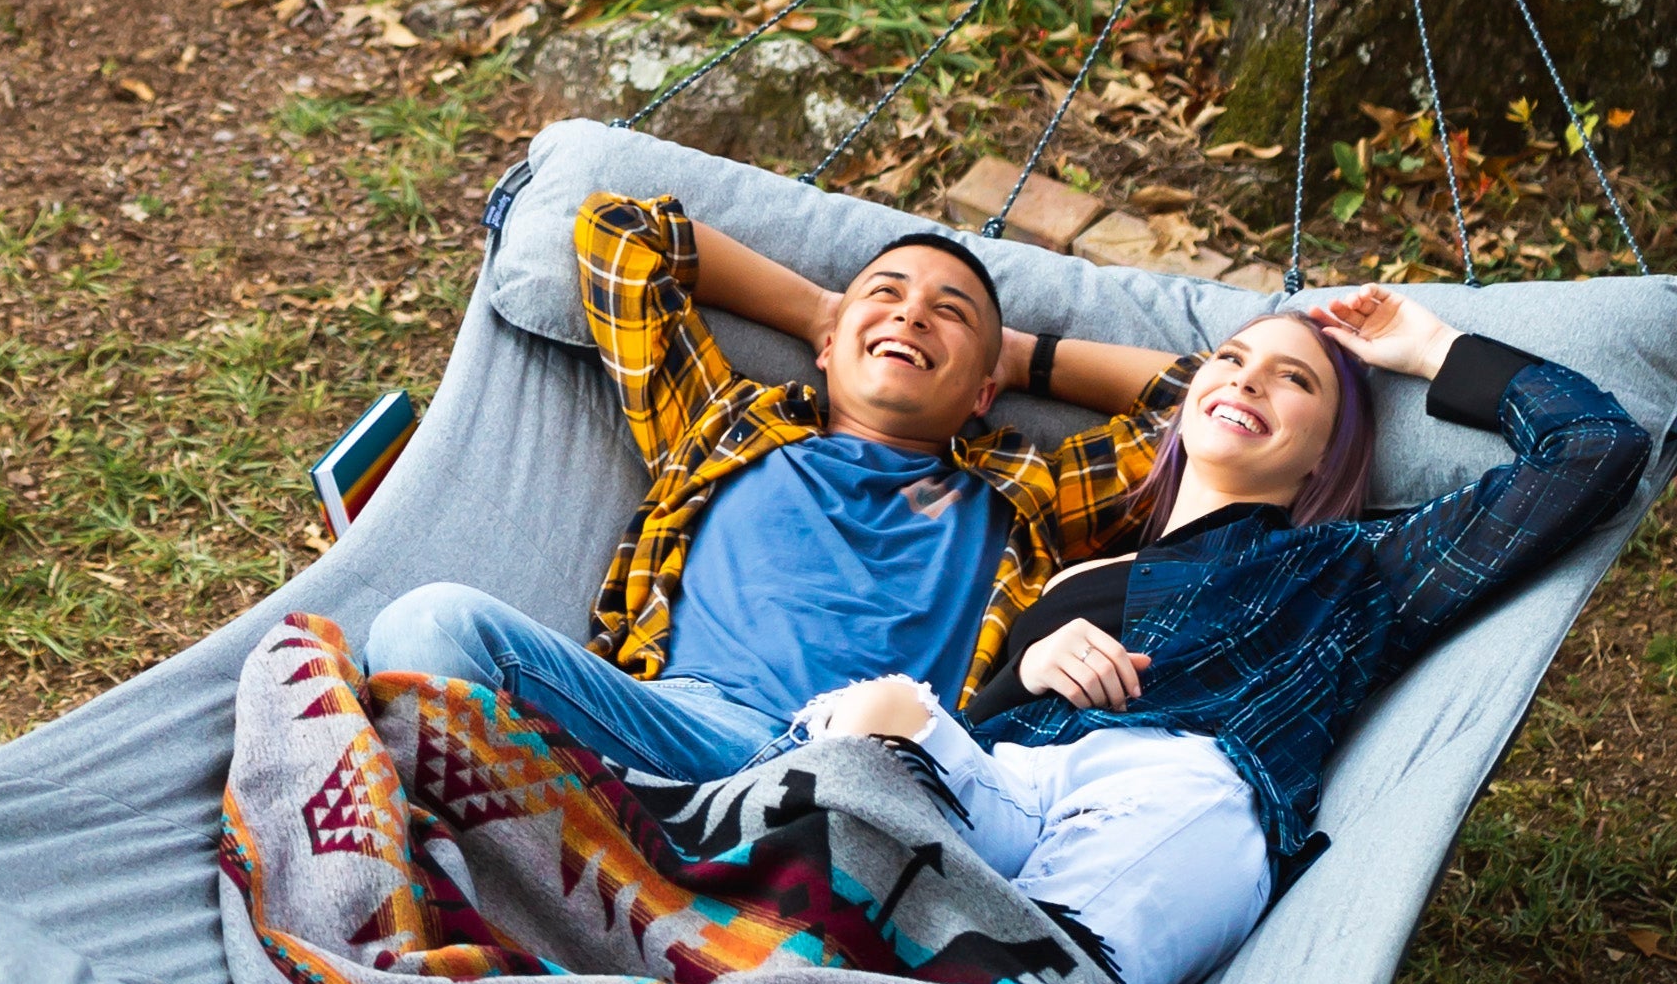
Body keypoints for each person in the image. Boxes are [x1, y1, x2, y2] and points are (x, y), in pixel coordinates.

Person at [804, 285, 1655, 984]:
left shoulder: (1353, 569)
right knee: (873, 715)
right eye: (1231, 361)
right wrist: (1030, 666)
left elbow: (1592, 447)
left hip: (1180, 798)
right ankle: (781, 976)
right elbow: (976, 733)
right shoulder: (1069, 575)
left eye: (1292, 381)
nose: (1248, 383)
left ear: (1329, 450)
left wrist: (1428, 345)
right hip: (1018, 782)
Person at [362, 191, 1200, 779]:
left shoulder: (1026, 497)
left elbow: (1206, 405)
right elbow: (620, 234)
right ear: (829, 347)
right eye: (887, 295)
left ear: (984, 393)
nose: (911, 316)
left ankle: (599, 865)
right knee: (428, 626)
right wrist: (816, 310)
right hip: (680, 732)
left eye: (950, 314)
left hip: (857, 772)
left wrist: (1021, 357)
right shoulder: (720, 423)